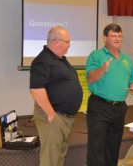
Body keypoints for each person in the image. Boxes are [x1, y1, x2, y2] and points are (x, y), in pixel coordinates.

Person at [85, 23, 133, 166]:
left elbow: (131, 82)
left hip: (119, 108)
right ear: (105, 38)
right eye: (114, 35)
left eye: (120, 36)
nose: (117, 38)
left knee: (113, 147)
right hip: (99, 106)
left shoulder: (127, 60)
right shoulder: (96, 55)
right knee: (97, 147)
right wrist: (101, 70)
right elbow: (90, 77)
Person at [30, 26, 83, 166]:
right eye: (67, 41)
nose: (69, 44)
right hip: (54, 116)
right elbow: (36, 89)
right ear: (57, 41)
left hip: (64, 117)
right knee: (50, 158)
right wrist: (51, 114)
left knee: (59, 154)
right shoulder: (42, 60)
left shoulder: (60, 59)